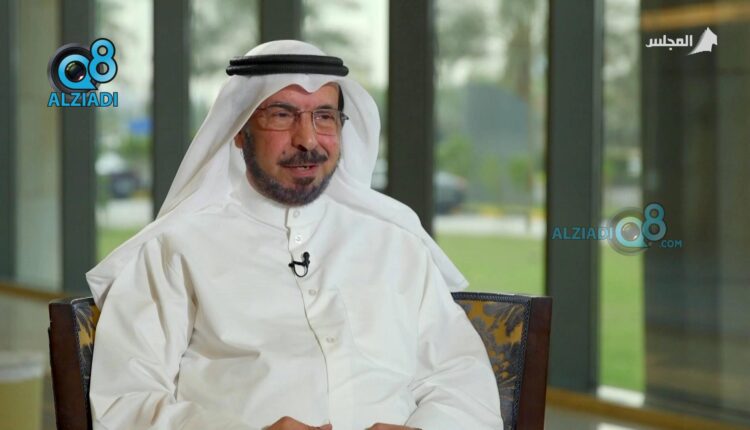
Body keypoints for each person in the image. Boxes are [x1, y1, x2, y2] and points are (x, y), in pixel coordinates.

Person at [87, 40, 502, 430]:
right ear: (239, 130)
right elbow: (125, 399)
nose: (307, 140)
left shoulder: (395, 241)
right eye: (282, 115)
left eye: (324, 117)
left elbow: (460, 378)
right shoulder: (175, 247)